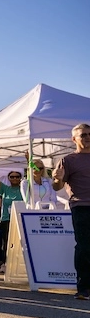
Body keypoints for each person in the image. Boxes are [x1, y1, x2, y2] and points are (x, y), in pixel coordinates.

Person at [52, 123, 90, 300]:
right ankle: (83, 288)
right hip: (81, 206)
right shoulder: (68, 160)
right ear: (74, 139)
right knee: (84, 247)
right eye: (83, 135)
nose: (87, 137)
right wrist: (56, 179)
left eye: (89, 134)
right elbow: (57, 186)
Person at [0, 157, 24, 273]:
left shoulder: (25, 189)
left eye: (17, 177)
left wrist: (29, 161)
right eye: (12, 176)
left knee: (21, 243)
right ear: (8, 178)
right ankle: (5, 262)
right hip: (7, 219)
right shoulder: (5, 189)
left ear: (20, 178)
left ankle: (21, 265)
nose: (14, 178)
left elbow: (33, 177)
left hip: (20, 219)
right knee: (7, 242)